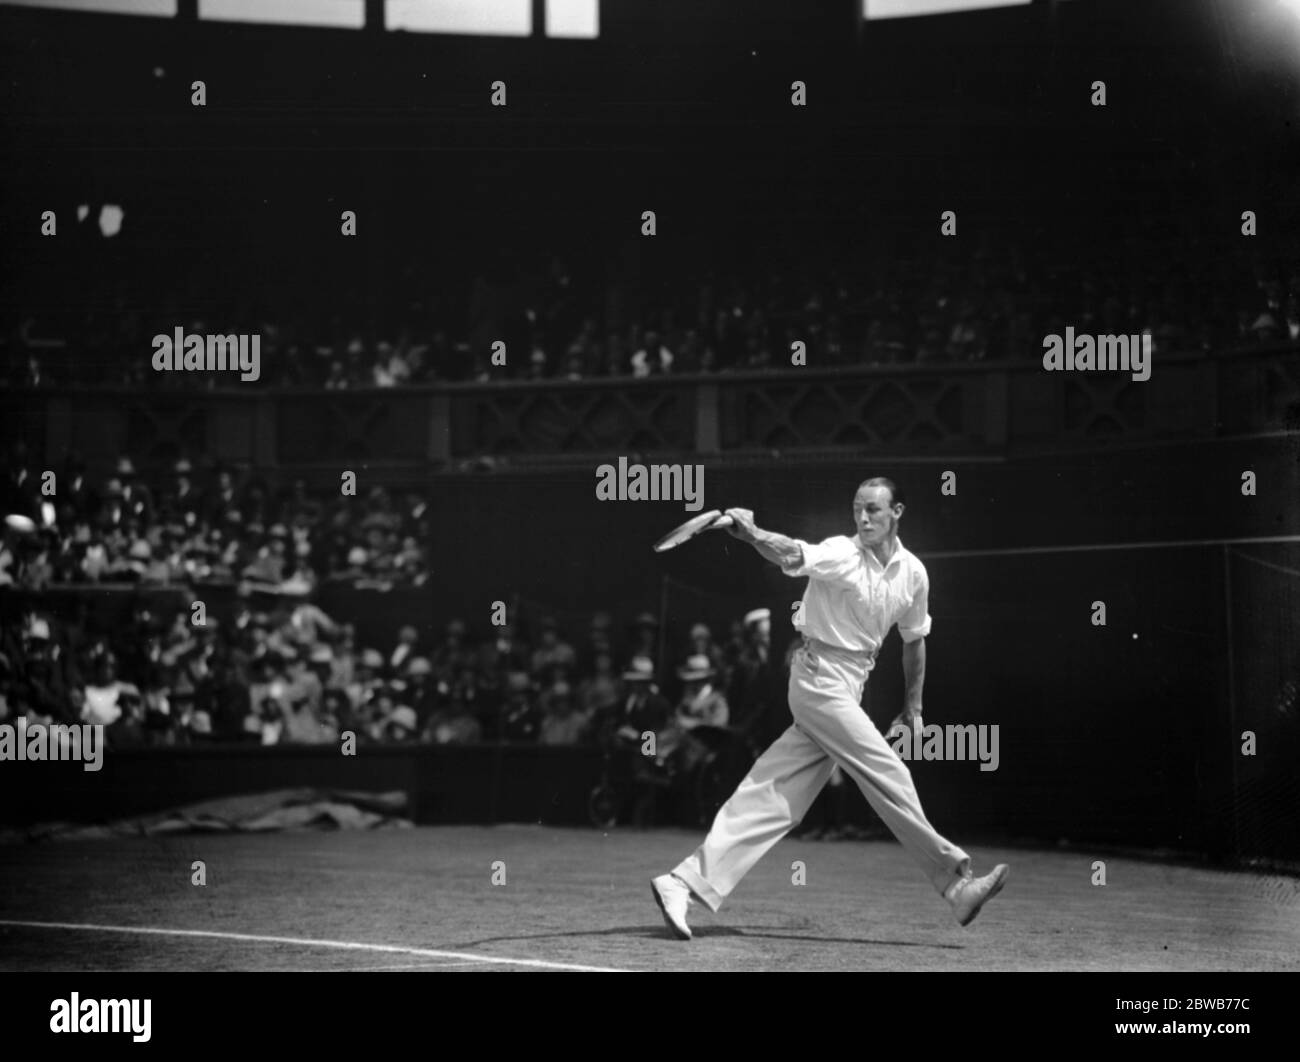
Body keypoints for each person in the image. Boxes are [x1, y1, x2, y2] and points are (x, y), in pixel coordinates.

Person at [651, 478, 1009, 939]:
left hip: (849, 685)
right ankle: (954, 885)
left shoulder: (914, 573)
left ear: (897, 511)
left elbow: (914, 640)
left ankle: (682, 881)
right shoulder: (841, 552)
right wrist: (755, 535)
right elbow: (791, 554)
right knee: (888, 770)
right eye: (858, 509)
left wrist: (913, 704)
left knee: (773, 796)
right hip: (818, 681)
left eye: (874, 511)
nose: (863, 519)